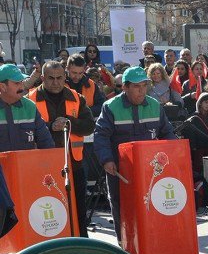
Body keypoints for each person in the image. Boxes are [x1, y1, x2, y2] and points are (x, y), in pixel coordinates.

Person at [93, 67, 177, 240]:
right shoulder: (110, 107)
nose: (142, 91)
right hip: (120, 170)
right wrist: (107, 160)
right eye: (137, 86)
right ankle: (124, 243)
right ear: (125, 87)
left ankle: (153, 241)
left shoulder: (155, 106)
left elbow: (167, 132)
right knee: (121, 206)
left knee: (153, 204)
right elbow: (101, 136)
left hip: (151, 170)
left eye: (144, 86)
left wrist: (175, 154)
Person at [28, 60, 96, 236]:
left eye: (59, 78)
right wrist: (51, 126)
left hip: (74, 164)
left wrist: (69, 122)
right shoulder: (31, 99)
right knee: (46, 210)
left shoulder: (76, 98)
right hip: (42, 165)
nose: (56, 82)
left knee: (79, 209)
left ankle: (82, 244)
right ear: (42, 78)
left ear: (65, 77)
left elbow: (89, 126)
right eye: (51, 78)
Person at [0, 63, 55, 152]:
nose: (21, 87)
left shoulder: (30, 107)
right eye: (17, 83)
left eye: (21, 82)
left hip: (26, 165)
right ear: (3, 87)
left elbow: (46, 143)